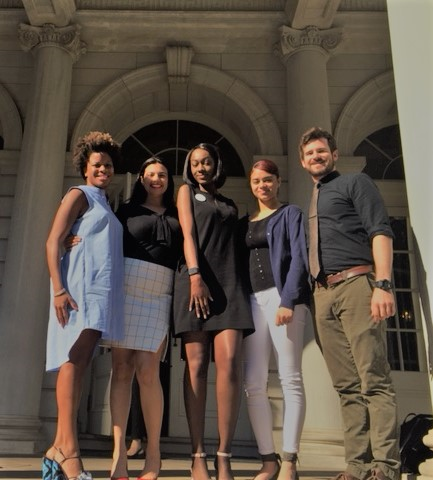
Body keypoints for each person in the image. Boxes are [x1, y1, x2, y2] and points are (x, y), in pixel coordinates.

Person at [298, 127, 400, 480]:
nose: (316, 157)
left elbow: (380, 230)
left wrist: (383, 284)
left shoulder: (355, 183)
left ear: (334, 154)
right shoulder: (312, 197)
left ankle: (385, 465)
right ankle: (357, 465)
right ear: (302, 160)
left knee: (373, 377)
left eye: (321, 151)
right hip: (322, 294)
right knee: (346, 386)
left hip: (357, 284)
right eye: (310, 153)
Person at [43, 131, 124, 480]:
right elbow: (52, 241)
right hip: (77, 289)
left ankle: (59, 448)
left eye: (107, 164)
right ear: (85, 168)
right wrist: (58, 290)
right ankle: (69, 449)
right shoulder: (80, 194)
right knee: (72, 360)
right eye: (97, 164)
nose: (103, 168)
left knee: (81, 361)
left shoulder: (104, 201)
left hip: (98, 291)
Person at [173, 143, 254, 480]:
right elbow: (188, 235)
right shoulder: (185, 192)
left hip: (230, 286)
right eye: (194, 163)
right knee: (197, 368)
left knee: (231, 365)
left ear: (216, 165)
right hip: (196, 283)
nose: (200, 168)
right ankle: (197, 455)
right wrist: (195, 277)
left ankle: (224, 454)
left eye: (206, 162)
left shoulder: (230, 204)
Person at [103, 157, 182, 480]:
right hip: (126, 291)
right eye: (150, 174)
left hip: (159, 294)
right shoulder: (126, 212)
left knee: (149, 372)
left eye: (162, 174)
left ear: (168, 180)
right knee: (121, 370)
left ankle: (153, 457)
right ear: (141, 180)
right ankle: (118, 455)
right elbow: (104, 242)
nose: (156, 179)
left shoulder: (179, 214)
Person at [239, 159, 310, 480]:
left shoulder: (290, 213)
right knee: (253, 383)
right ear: (251, 185)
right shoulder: (247, 221)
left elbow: (299, 256)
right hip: (253, 302)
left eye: (268, 180)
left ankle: (290, 459)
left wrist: (289, 299)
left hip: (283, 300)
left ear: (278, 182)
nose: (262, 186)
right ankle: (269, 460)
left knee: (289, 377)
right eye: (257, 181)